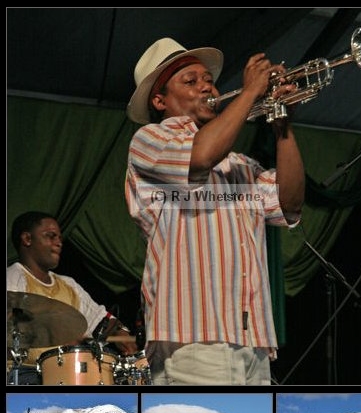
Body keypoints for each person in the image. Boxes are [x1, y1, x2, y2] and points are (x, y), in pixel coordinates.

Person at [125, 38, 305, 385]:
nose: (206, 86)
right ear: (159, 100)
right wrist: (250, 93)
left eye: (208, 79)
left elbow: (290, 203)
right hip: (191, 338)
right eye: (190, 81)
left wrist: (283, 123)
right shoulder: (148, 140)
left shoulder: (239, 164)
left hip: (252, 338)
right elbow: (201, 157)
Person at [7, 211, 141, 385]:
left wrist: (120, 333)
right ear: (27, 239)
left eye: (60, 237)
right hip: (27, 374)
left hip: (72, 372)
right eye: (51, 236)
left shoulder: (69, 285)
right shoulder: (12, 279)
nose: (59, 242)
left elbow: (101, 321)